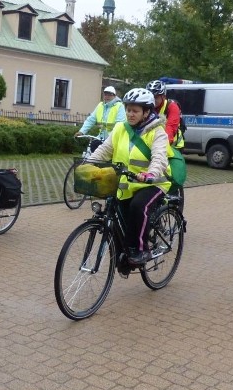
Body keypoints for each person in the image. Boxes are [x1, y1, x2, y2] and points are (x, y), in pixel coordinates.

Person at [89, 88, 171, 266]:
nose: (130, 114)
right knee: (119, 215)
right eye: (128, 110)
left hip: (154, 182)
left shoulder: (157, 132)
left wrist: (151, 173)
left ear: (146, 112)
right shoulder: (121, 128)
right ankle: (123, 257)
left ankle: (141, 250)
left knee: (138, 206)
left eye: (135, 111)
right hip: (127, 183)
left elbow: (159, 158)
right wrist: (88, 163)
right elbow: (105, 150)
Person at [76, 85, 126, 151]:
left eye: (110, 95)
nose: (107, 97)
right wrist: (81, 132)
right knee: (92, 149)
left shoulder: (119, 106)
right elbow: (90, 120)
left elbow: (120, 124)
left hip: (114, 139)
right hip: (101, 137)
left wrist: (111, 138)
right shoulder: (100, 106)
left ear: (114, 96)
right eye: (105, 94)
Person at [146, 80, 184, 150]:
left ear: (163, 96)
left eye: (156, 97)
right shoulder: (147, 107)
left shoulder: (172, 106)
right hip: (154, 144)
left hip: (173, 145)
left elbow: (171, 128)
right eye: (150, 97)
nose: (152, 100)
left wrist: (161, 147)